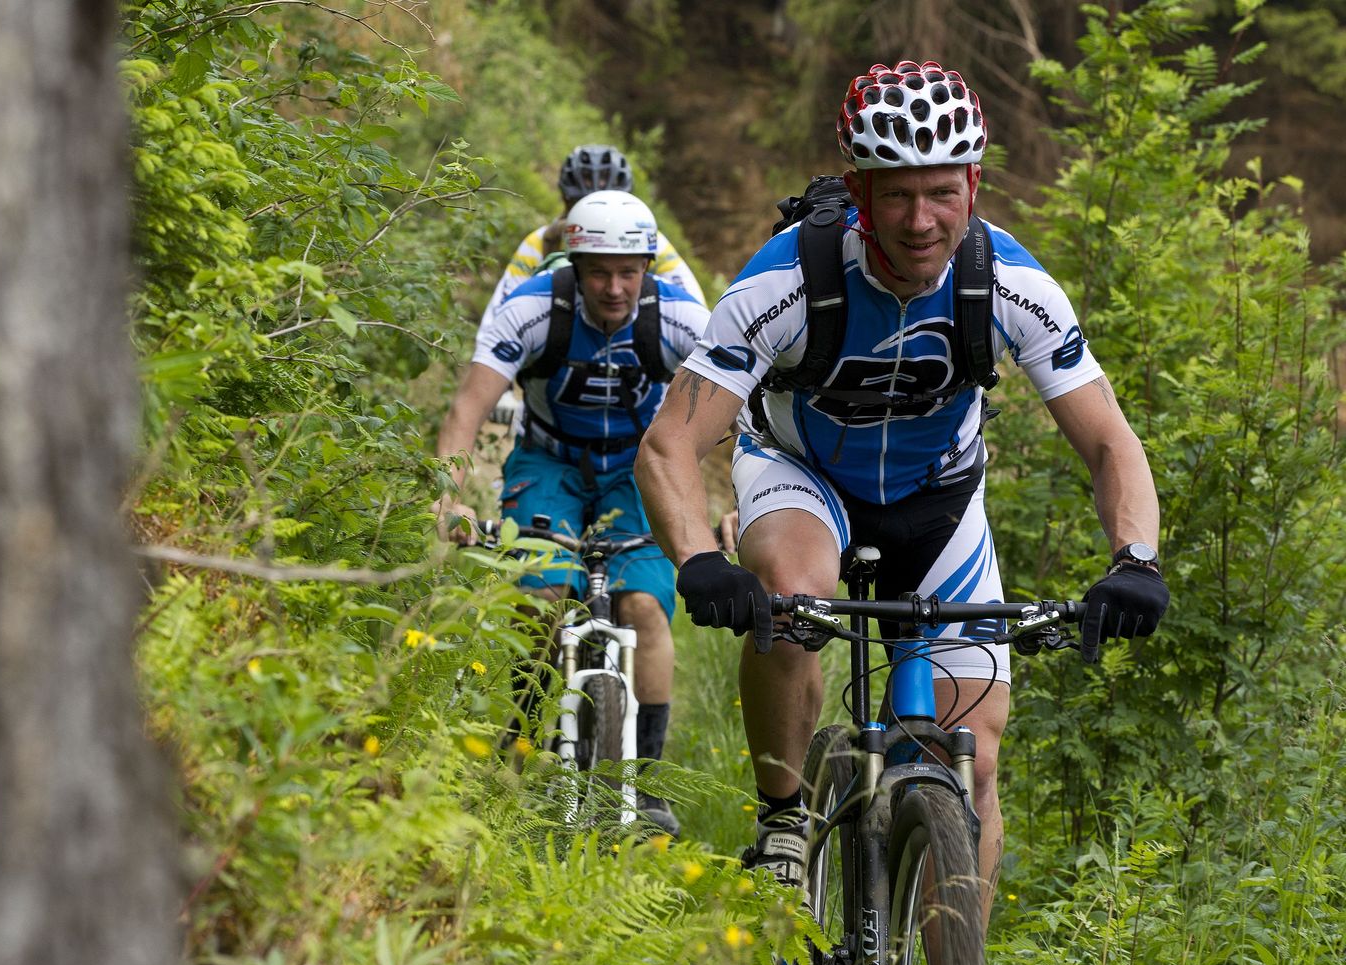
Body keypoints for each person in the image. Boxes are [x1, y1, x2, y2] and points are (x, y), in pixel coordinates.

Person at [634, 61, 1169, 919]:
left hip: (940, 501)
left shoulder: (1011, 287)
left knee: (974, 763)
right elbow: (669, 445)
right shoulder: (781, 286)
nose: (922, 221)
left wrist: (1134, 559)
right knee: (792, 596)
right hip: (803, 478)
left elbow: (1110, 441)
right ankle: (781, 821)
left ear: (973, 185)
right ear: (858, 191)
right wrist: (699, 558)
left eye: (940, 193)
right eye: (896, 196)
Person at [436, 190, 711, 837]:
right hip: (548, 463)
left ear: (648, 268)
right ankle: (524, 731)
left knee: (643, 606)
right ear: (574, 268)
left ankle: (644, 783)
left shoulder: (677, 319)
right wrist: (447, 493)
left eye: (628, 272)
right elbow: (465, 413)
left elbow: (739, 415)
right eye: (598, 272)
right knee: (542, 594)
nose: (614, 288)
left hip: (639, 466)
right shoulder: (532, 309)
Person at [476, 144, 706, 338]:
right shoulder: (541, 241)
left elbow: (693, 308)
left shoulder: (647, 238)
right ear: (567, 203)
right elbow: (497, 319)